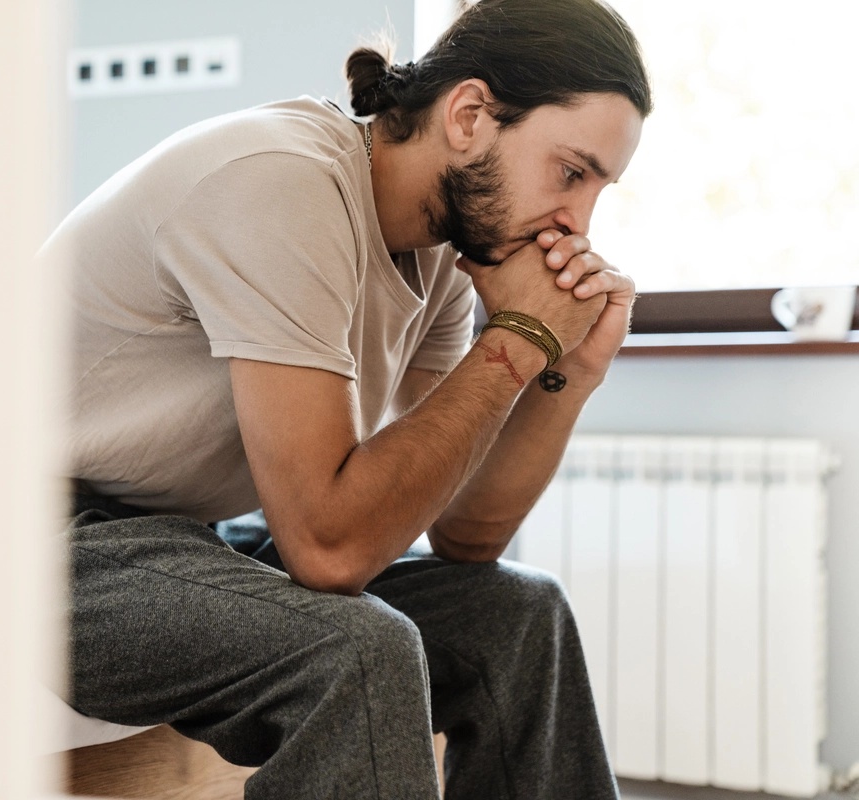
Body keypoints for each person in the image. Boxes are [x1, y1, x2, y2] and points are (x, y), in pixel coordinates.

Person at [45, 0, 652, 796]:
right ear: (468, 115)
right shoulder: (280, 184)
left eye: (599, 189)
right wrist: (515, 340)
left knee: (518, 615)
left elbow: (466, 535)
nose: (578, 221)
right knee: (360, 650)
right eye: (571, 173)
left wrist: (570, 373)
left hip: (179, 536)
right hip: (27, 542)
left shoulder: (439, 248)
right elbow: (329, 551)